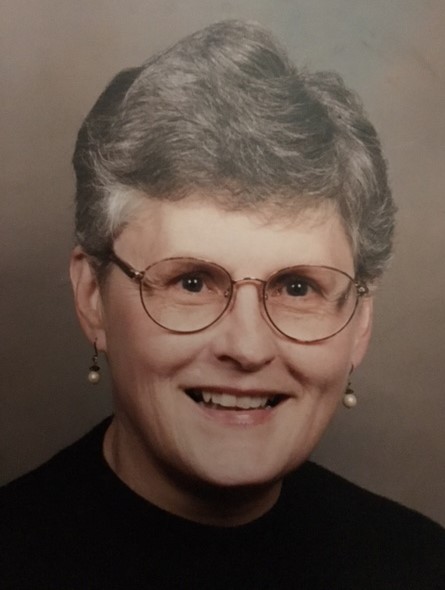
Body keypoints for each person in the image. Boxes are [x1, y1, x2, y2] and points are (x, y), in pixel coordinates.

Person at [1, 19, 444, 590]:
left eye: (297, 288)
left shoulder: (423, 566)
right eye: (191, 282)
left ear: (359, 322)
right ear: (92, 297)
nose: (247, 347)